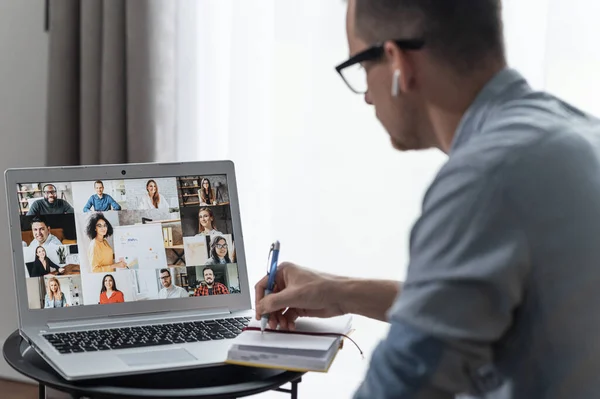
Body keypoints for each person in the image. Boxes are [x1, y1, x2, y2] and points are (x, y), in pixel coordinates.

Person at [254, 1, 600, 398]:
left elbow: (400, 387)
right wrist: (340, 290)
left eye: (363, 68)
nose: (367, 96)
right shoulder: (575, 134)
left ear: (396, 61)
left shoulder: (486, 178)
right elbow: (478, 307)